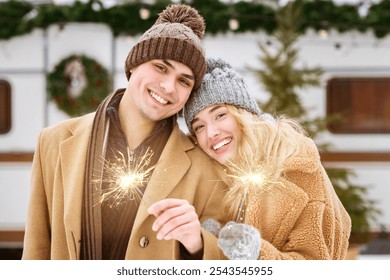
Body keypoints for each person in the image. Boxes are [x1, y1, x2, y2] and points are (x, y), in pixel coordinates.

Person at [22, 4, 228, 260]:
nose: (168, 86)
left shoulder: (203, 166)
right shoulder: (53, 141)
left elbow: (225, 261)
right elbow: (36, 251)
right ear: (133, 66)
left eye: (183, 80)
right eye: (161, 67)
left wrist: (198, 244)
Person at [183, 58, 352, 260]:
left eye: (220, 115)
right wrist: (206, 243)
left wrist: (254, 253)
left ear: (243, 113)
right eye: (199, 127)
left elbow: (317, 263)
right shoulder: (215, 175)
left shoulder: (295, 164)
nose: (211, 133)